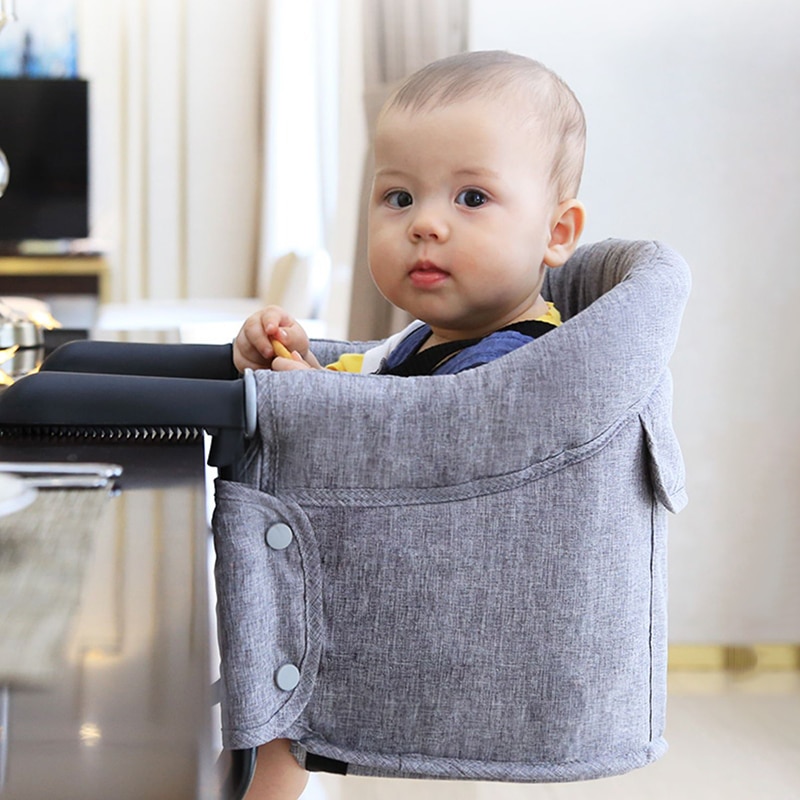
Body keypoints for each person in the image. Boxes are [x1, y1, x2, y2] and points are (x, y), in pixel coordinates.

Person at [231, 49, 587, 799]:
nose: (425, 224)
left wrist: (315, 401)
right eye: (398, 198)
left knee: (273, 731)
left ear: (557, 233)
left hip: (425, 623)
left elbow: (430, 436)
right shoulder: (417, 344)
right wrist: (295, 367)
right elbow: (373, 393)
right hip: (341, 587)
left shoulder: (524, 361)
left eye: (471, 198)